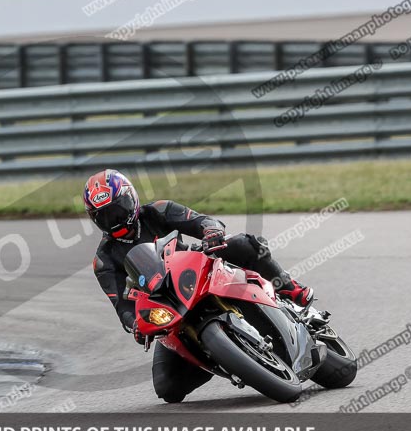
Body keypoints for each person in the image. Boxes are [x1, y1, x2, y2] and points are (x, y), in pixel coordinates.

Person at [84, 169, 317, 401]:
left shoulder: (157, 210)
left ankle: (290, 288)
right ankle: (221, 357)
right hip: (168, 308)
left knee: (246, 245)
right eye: (104, 217)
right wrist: (135, 324)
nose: (114, 220)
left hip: (194, 271)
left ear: (131, 198)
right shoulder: (103, 260)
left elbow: (201, 220)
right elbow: (121, 306)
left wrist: (211, 231)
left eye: (118, 210)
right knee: (167, 389)